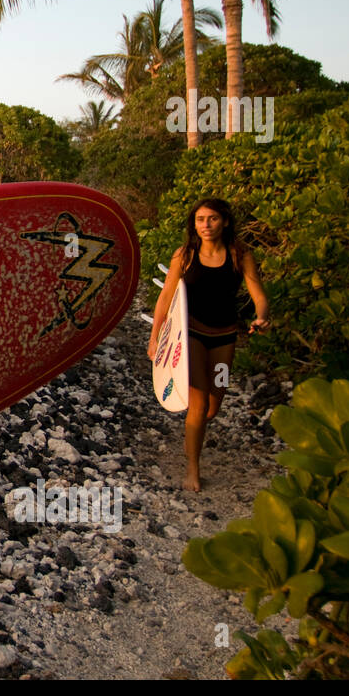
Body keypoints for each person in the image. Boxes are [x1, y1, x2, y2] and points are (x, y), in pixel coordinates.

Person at [147, 198, 270, 492]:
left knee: (214, 406)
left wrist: (262, 316)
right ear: (194, 224)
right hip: (191, 335)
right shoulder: (185, 255)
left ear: (224, 221)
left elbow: (259, 295)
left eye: (212, 219)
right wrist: (155, 337)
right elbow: (165, 298)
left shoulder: (240, 255)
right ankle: (192, 468)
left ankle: (194, 425)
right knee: (199, 404)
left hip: (225, 337)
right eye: (200, 219)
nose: (205, 225)